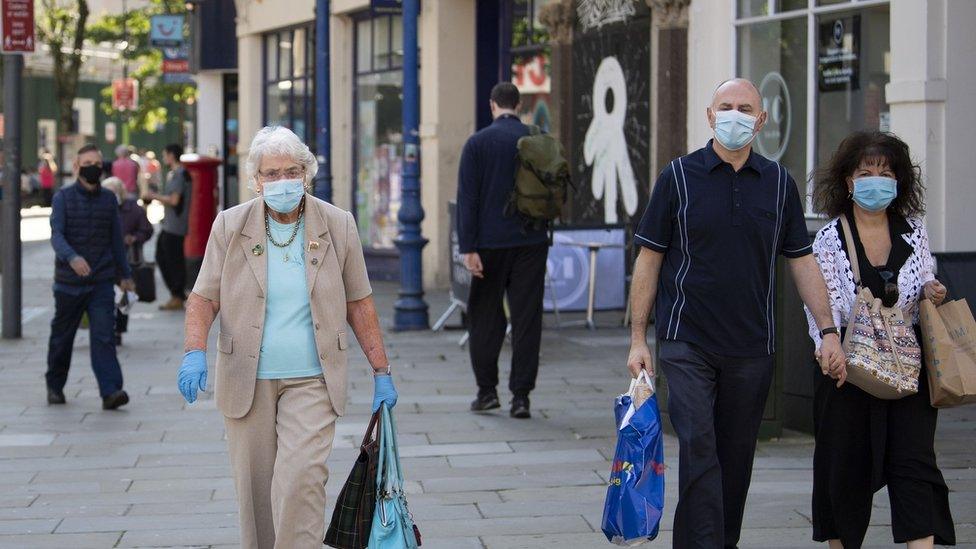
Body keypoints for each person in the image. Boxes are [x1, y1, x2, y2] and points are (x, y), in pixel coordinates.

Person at [626, 78, 846, 548]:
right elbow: (649, 258)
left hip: (752, 348)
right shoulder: (678, 178)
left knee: (734, 462)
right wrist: (638, 339)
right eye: (725, 106)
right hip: (687, 342)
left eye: (745, 107)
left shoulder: (779, 182)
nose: (734, 115)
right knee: (700, 451)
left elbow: (802, 259)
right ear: (709, 116)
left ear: (761, 120)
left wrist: (827, 330)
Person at [178, 126, 398, 549]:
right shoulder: (230, 225)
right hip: (247, 379)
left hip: (312, 377)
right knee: (255, 496)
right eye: (272, 174)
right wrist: (194, 351)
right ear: (256, 180)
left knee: (302, 481)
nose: (283, 182)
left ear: (307, 173)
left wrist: (381, 370)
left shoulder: (337, 224)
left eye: (291, 171)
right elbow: (203, 298)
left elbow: (359, 303)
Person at [804, 131, 955, 549]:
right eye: (866, 172)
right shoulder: (830, 238)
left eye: (886, 172)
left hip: (908, 371)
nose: (876, 180)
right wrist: (826, 344)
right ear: (848, 180)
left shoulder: (913, 231)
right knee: (844, 471)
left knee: (915, 465)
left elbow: (925, 276)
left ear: (899, 181)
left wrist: (932, 289)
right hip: (846, 372)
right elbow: (822, 304)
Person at [457, 82, 549, 419]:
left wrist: (467, 247)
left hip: (489, 244)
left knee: (485, 318)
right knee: (527, 319)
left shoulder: (478, 144)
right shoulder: (537, 138)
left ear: (492, 104)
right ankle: (521, 397)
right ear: (519, 104)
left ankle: (487, 392)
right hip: (532, 242)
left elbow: (468, 199)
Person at [46, 144, 135, 410]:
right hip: (68, 284)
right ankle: (55, 385)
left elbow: (116, 241)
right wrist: (72, 257)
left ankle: (111, 391)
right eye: (87, 162)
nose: (94, 167)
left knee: (104, 336)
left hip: (101, 282)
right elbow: (56, 235)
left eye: (97, 163)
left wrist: (125, 274)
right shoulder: (62, 198)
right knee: (62, 337)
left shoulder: (109, 200)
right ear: (76, 166)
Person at [102, 176, 154, 346]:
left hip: (127, 259)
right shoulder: (100, 207)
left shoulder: (134, 209)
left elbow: (147, 229)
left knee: (124, 296)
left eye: (113, 192)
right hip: (104, 259)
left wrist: (134, 238)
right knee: (105, 296)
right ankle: (105, 328)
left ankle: (118, 330)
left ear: (120, 192)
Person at [144, 144, 190, 311]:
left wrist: (154, 196)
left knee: (172, 260)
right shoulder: (175, 174)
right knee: (163, 256)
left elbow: (174, 200)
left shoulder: (178, 175)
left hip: (175, 225)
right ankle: (177, 293)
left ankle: (177, 295)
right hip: (170, 223)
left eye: (165, 154)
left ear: (171, 155)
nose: (163, 157)